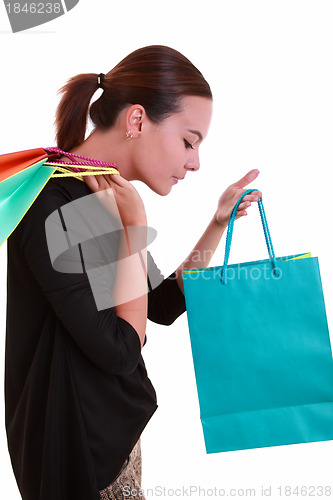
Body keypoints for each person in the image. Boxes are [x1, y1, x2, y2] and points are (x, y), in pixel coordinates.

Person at [5, 45, 261, 500]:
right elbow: (122, 347)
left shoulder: (98, 196)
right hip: (78, 457)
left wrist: (218, 222)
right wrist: (134, 227)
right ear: (137, 120)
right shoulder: (54, 203)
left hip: (111, 444)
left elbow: (158, 305)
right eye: (189, 141)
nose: (195, 162)